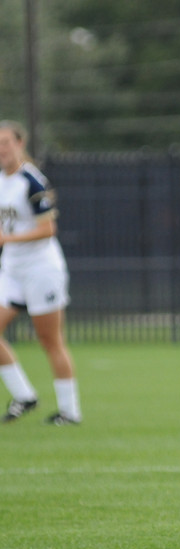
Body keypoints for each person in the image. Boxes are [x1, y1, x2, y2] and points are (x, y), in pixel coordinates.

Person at [0, 120, 82, 426]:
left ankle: (70, 412)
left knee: (49, 340)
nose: (1, 149)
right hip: (12, 269)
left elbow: (48, 229)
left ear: (19, 144)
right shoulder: (1, 180)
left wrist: (7, 239)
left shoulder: (31, 181)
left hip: (41, 269)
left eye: (6, 142)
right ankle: (25, 396)